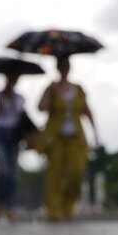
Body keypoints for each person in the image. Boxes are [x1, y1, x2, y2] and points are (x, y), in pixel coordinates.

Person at [38, 56, 98, 222]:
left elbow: (87, 111)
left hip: (75, 138)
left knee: (76, 173)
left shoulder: (78, 89)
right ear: (58, 68)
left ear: (69, 68)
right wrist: (49, 93)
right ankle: (54, 210)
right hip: (56, 138)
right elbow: (41, 107)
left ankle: (68, 206)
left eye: (66, 65)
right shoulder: (51, 87)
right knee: (55, 175)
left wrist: (95, 134)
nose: (64, 68)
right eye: (61, 66)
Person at [0, 72, 26, 223]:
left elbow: (22, 119)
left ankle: (9, 207)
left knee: (13, 172)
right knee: (3, 169)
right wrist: (3, 101)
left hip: (14, 137)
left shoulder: (19, 98)